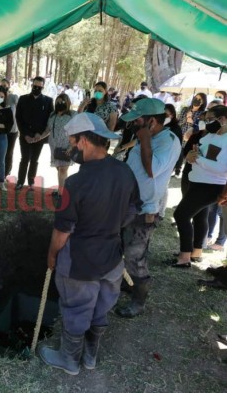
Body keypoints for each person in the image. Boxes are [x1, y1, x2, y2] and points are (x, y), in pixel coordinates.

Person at [39, 113, 141, 375]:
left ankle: (70, 361)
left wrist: (52, 255)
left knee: (76, 309)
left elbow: (62, 230)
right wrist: (109, 225)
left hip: (79, 262)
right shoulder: (124, 170)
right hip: (112, 259)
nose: (71, 148)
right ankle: (90, 357)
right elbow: (132, 211)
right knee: (101, 307)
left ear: (83, 141)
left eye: (72, 142)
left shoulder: (76, 182)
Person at [115, 99, 181, 317]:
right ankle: (128, 282)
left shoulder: (168, 141)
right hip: (126, 205)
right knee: (122, 248)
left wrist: (144, 140)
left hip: (144, 210)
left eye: (137, 121)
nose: (133, 125)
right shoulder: (146, 136)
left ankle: (139, 301)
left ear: (151, 121)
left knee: (136, 256)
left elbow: (151, 169)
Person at [172, 105, 227, 267]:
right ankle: (195, 253)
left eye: (210, 119)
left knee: (181, 215)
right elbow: (197, 153)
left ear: (222, 119)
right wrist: (191, 156)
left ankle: (184, 257)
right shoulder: (212, 135)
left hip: (210, 186)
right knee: (199, 216)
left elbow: (221, 168)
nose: (206, 122)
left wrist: (197, 159)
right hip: (198, 181)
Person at [15, 76, 53, 190]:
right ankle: (20, 182)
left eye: (39, 87)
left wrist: (40, 134)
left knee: (34, 160)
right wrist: (25, 134)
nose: (36, 88)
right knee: (25, 158)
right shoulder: (23, 99)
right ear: (31, 85)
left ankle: (31, 182)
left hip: (39, 137)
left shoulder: (48, 101)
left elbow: (49, 119)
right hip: (25, 135)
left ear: (42, 87)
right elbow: (18, 118)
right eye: (34, 86)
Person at [40, 93, 76, 193]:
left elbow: (77, 131)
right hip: (54, 146)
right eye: (58, 101)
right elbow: (48, 129)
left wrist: (72, 146)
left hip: (67, 145)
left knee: (63, 169)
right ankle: (62, 190)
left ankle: (62, 193)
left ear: (68, 102)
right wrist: (39, 137)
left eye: (62, 101)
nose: (60, 103)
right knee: (59, 169)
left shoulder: (73, 114)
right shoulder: (52, 115)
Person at [1, 78, 20, 177]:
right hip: (2, 130)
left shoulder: (13, 97)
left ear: (9, 86)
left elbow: (20, 111)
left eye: (5, 85)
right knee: (2, 152)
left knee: (9, 152)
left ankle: (6, 173)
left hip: (13, 130)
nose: (4, 87)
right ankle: (2, 171)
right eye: (2, 85)